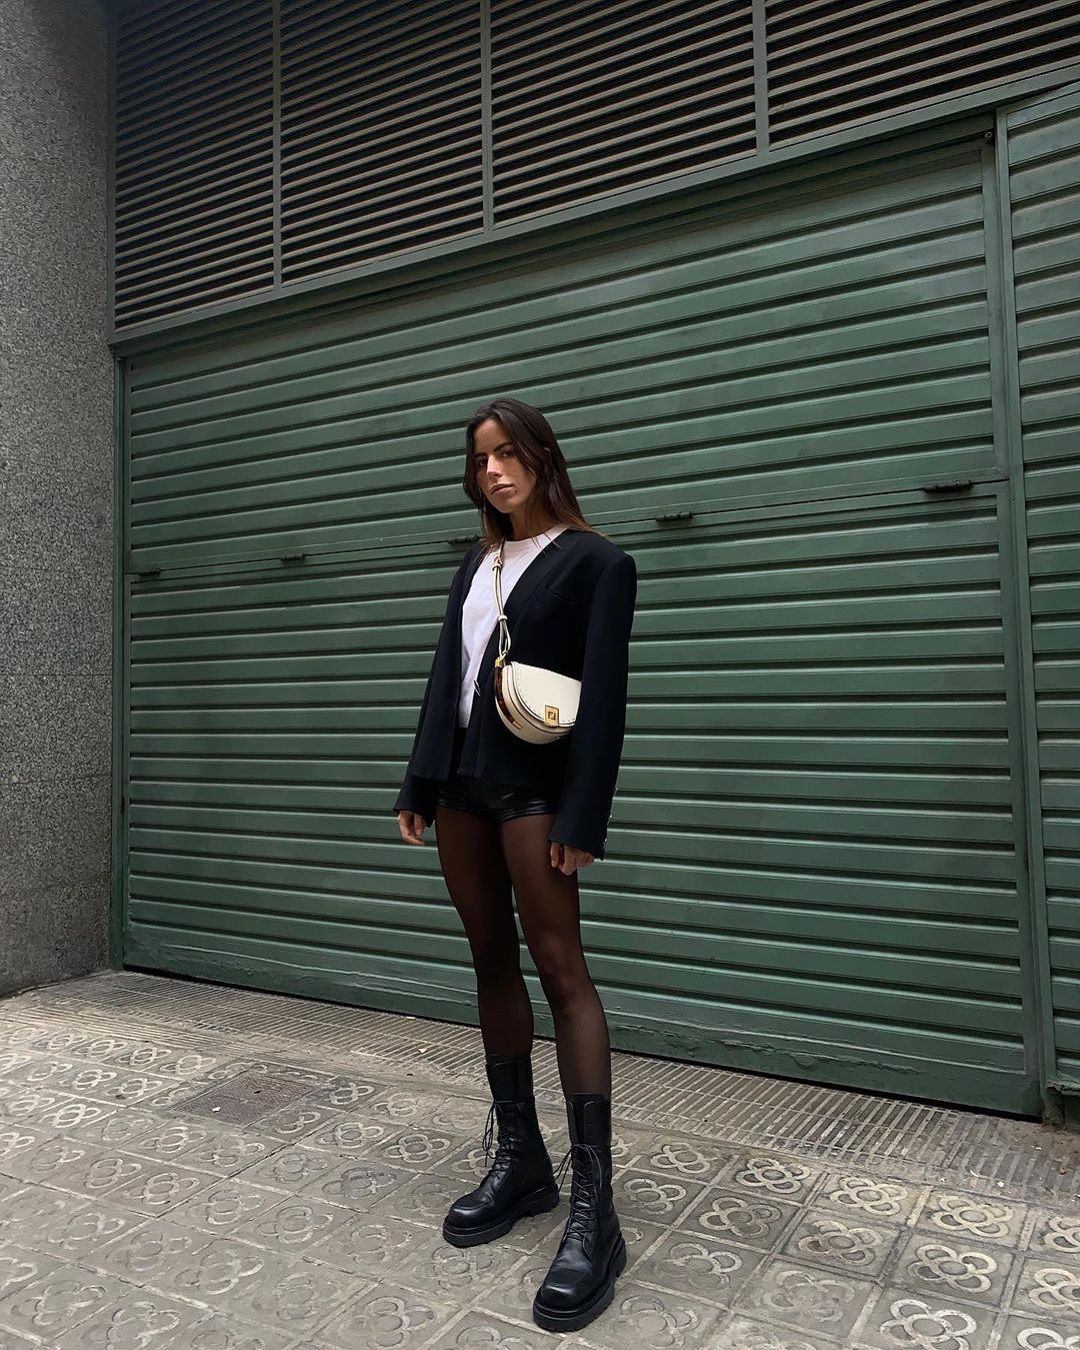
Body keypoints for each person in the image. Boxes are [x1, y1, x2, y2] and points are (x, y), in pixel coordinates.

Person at [393, 396, 638, 1333]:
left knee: (562, 969)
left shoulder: (596, 562)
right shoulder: (477, 563)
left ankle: (595, 1212)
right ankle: (522, 1161)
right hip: (462, 784)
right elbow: (445, 679)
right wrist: (419, 781)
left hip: (536, 794)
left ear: (541, 457)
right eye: (479, 460)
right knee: (490, 960)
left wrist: (584, 814)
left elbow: (604, 698)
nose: (492, 471)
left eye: (506, 454)